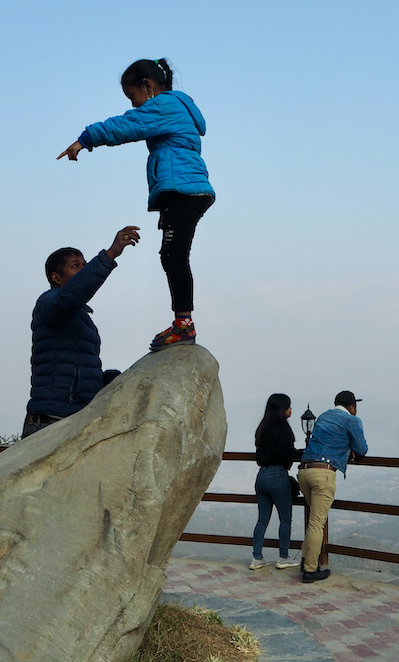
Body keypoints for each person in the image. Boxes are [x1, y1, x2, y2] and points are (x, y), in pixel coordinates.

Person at [57, 58, 215, 353]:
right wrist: (167, 210)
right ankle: (183, 322)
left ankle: (184, 325)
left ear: (147, 86)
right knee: (171, 254)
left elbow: (128, 126)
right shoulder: (178, 107)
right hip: (185, 191)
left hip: (185, 191)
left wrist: (85, 139)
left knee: (174, 256)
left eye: (133, 98)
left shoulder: (164, 105)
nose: (135, 105)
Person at [22, 227, 140, 439]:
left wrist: (104, 383)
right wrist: (110, 254)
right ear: (56, 277)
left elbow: (74, 366)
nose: (83, 271)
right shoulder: (49, 303)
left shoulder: (80, 316)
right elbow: (72, 294)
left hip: (75, 418)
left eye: (85, 266)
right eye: (75, 266)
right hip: (50, 421)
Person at [297, 391, 368, 584]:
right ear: (352, 407)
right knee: (317, 522)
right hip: (323, 473)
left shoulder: (323, 416)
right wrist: (351, 449)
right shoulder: (352, 420)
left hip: (304, 470)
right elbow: (362, 449)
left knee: (314, 519)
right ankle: (310, 570)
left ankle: (307, 561)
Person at [249, 393, 304, 571]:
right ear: (282, 409)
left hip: (261, 476)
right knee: (285, 519)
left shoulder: (262, 427)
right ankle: (283, 557)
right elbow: (287, 454)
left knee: (262, 519)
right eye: (289, 406)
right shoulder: (283, 428)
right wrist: (303, 452)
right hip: (278, 476)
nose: (291, 410)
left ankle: (257, 558)